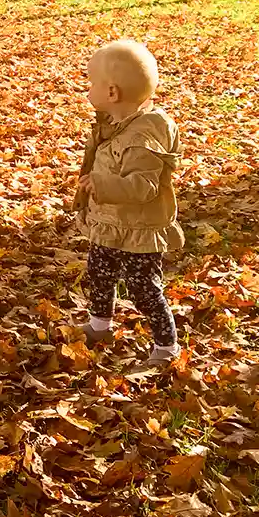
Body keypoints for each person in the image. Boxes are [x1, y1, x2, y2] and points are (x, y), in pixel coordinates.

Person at [74, 39, 183, 367]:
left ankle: (166, 347)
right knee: (99, 272)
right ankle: (99, 325)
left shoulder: (142, 138)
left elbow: (143, 187)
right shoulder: (114, 124)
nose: (87, 90)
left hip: (138, 229)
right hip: (110, 222)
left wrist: (101, 184)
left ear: (112, 93)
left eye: (91, 83)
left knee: (143, 287)